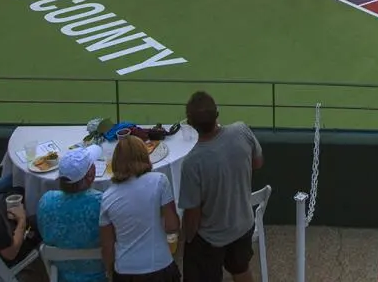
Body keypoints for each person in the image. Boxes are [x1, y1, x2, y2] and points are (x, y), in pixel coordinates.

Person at [179, 91, 263, 282]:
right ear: (217, 114)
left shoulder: (192, 162)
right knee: (241, 269)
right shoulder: (241, 130)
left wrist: (187, 239)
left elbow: (192, 216)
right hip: (243, 225)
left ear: (190, 123)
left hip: (211, 238)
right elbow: (258, 162)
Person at [100, 136, 180, 282]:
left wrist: (110, 272)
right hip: (159, 266)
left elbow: (107, 246)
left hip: (125, 271)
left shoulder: (107, 197)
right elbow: (172, 226)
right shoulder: (159, 181)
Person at [36, 147, 106, 282]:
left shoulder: (46, 200)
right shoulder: (102, 202)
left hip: (61, 275)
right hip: (101, 275)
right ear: (91, 175)